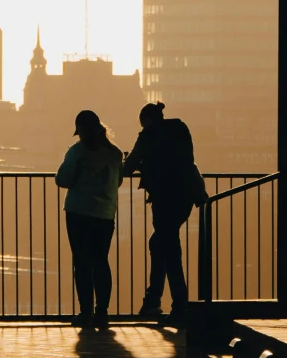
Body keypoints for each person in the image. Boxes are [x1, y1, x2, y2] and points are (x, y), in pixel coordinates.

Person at [125, 99, 202, 321]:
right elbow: (180, 160)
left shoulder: (148, 136)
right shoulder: (180, 129)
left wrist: (134, 164)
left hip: (165, 199)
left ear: (146, 121)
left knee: (169, 251)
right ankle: (153, 301)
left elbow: (129, 166)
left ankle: (179, 306)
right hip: (185, 197)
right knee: (159, 244)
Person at [56, 108, 123, 327]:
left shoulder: (78, 152)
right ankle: (102, 312)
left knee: (82, 262)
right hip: (105, 214)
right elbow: (118, 181)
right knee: (101, 262)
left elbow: (62, 179)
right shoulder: (115, 153)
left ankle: (85, 312)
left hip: (78, 213)